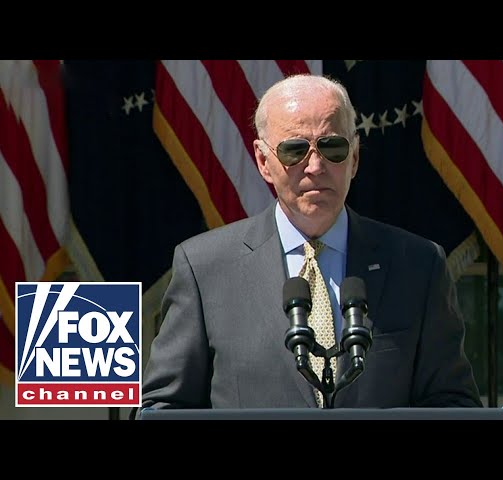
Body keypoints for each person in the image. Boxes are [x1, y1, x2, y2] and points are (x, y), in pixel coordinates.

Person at [135, 73, 482, 414]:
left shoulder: (418, 265)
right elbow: (164, 408)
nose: (315, 166)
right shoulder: (205, 268)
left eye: (333, 147)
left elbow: (453, 405)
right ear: (263, 162)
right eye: (294, 150)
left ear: (355, 157)